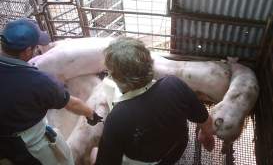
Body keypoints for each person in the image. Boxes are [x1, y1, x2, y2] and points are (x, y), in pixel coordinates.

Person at [94, 37, 215, 165]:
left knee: (94, 154)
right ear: (150, 63)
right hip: (177, 149)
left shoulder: (117, 117)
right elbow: (206, 120)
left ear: (116, 78)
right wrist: (206, 134)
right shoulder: (174, 85)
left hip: (148, 162)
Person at [0, 19, 103, 165]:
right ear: (28, 51)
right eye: (36, 47)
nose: (37, 49)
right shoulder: (37, 81)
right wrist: (91, 114)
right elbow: (72, 104)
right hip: (30, 144)